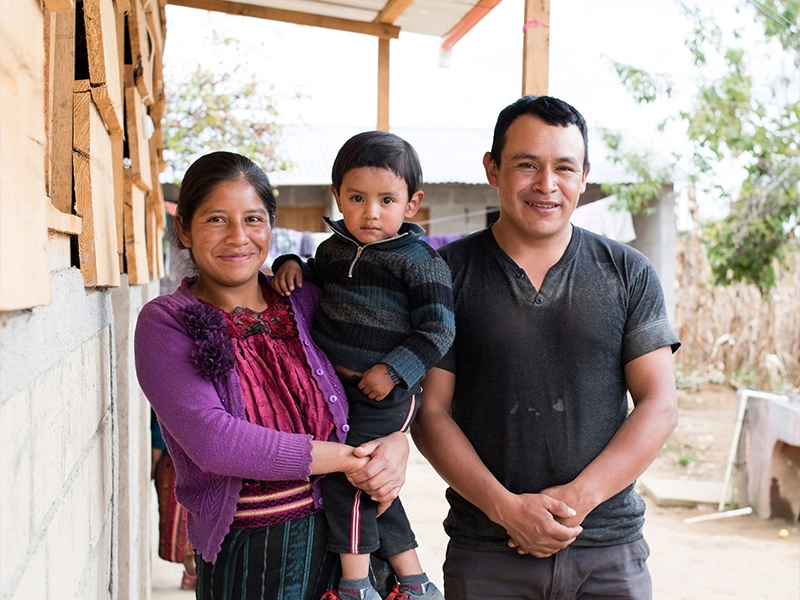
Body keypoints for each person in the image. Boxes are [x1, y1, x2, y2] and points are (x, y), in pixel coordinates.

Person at [410, 95, 681, 600]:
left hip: (608, 552)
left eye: (565, 168)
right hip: (487, 553)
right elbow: (430, 413)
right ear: (492, 169)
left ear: (585, 176)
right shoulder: (444, 276)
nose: (547, 184)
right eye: (527, 165)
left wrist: (576, 502)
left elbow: (659, 405)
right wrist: (506, 509)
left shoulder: (628, 272)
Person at [134, 151, 410, 600]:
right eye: (217, 220)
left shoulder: (308, 300)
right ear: (183, 229)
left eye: (253, 219)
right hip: (252, 557)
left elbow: (381, 375)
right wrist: (350, 459)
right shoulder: (167, 322)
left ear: (271, 226)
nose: (238, 237)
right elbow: (214, 441)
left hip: (353, 541)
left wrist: (397, 441)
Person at [272, 130, 454, 600]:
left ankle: (354, 585)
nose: (371, 212)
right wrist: (291, 263)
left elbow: (439, 329)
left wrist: (393, 370)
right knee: (372, 483)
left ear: (412, 204)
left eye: (386, 200)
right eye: (357, 198)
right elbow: (313, 275)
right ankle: (414, 582)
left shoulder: (420, 262)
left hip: (386, 395)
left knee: (348, 476)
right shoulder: (334, 249)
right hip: (339, 392)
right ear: (337, 197)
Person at [151, 411, 196, 590]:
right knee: (182, 525)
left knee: (185, 524)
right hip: (177, 460)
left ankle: (192, 574)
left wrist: (153, 462)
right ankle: (192, 574)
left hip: (179, 461)